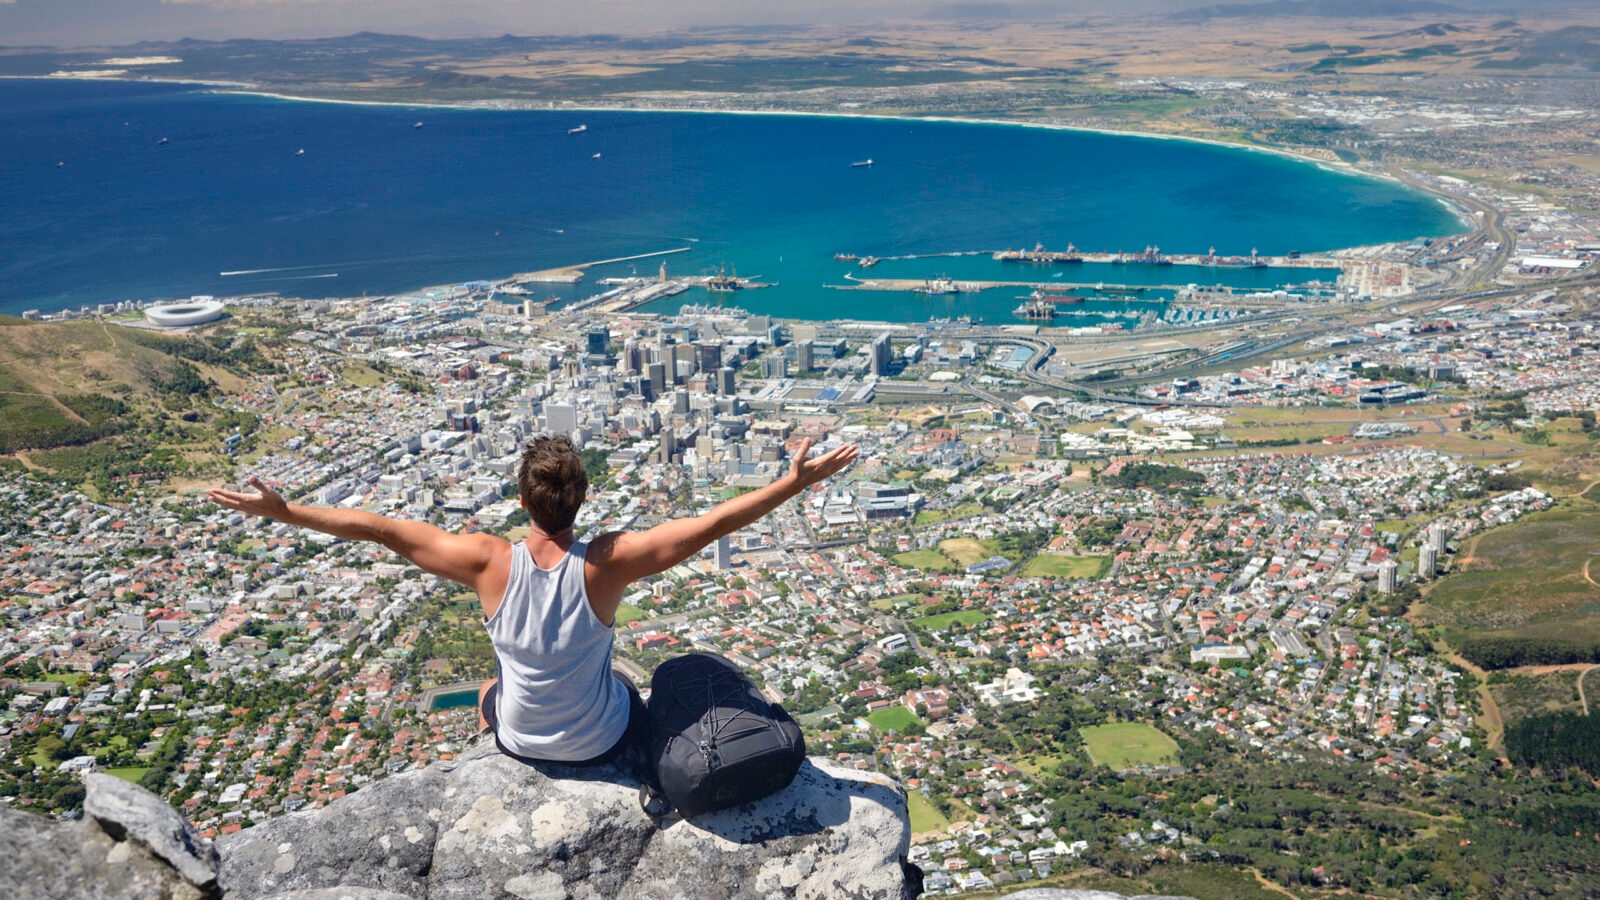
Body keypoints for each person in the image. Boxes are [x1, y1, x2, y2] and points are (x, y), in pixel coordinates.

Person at [207, 434, 858, 767]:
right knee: (631, 688)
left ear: (522, 500)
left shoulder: (486, 560)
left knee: (493, 683)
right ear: (581, 500)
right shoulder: (607, 562)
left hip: (519, 742)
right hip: (600, 743)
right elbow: (711, 526)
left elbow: (379, 528)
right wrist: (791, 483)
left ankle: (507, 720)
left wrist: (285, 511)